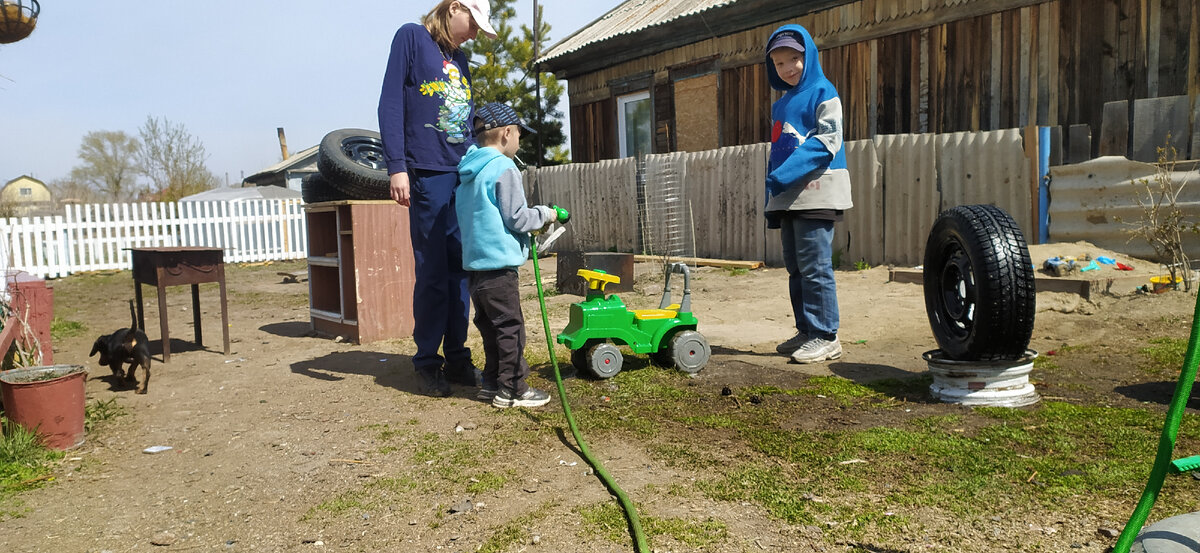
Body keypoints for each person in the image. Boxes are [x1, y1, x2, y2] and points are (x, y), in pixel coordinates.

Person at [377, 1, 497, 396]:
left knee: (460, 268)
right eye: (474, 23)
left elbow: (464, 119)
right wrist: (397, 165)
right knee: (432, 272)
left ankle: (458, 356)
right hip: (426, 172)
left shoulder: (459, 58)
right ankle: (428, 361)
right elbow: (392, 102)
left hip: (461, 173)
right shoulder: (411, 38)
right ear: (455, 7)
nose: (476, 33)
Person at [455, 102, 562, 408]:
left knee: (491, 328)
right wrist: (546, 214)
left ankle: (491, 383)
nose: (518, 143)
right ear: (505, 133)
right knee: (511, 328)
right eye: (518, 135)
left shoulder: (467, 172)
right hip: (500, 268)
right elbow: (517, 217)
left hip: (475, 269)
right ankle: (514, 388)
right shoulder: (504, 168)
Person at [763, 24, 853, 364]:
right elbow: (779, 152)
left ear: (808, 55)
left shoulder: (822, 91)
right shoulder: (781, 105)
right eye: (779, 63)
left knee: (815, 266)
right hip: (789, 197)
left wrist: (782, 175)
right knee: (796, 267)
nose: (787, 68)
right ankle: (806, 329)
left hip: (818, 191)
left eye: (794, 59)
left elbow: (828, 141)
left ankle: (826, 334)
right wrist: (773, 191)